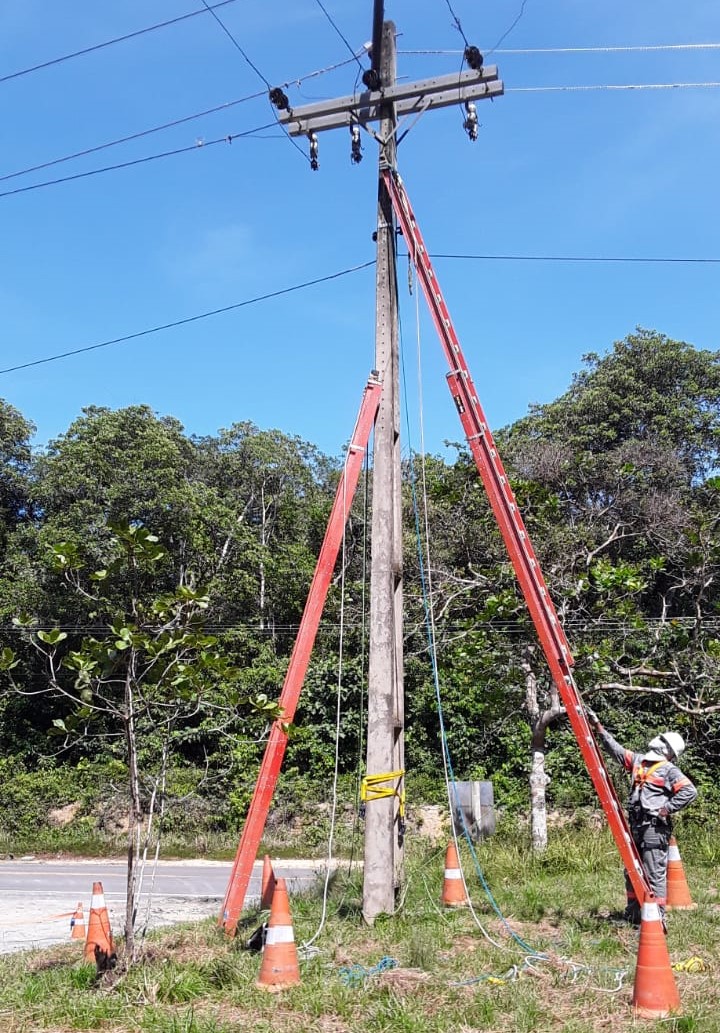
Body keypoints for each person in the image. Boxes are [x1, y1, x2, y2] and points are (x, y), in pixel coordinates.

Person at [586, 709, 697, 925]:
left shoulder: (669, 770)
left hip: (654, 829)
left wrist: (666, 808)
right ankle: (634, 915)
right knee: (632, 871)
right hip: (636, 825)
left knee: (653, 872)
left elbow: (689, 791)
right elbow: (616, 751)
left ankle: (657, 920)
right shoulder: (639, 762)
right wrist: (599, 728)